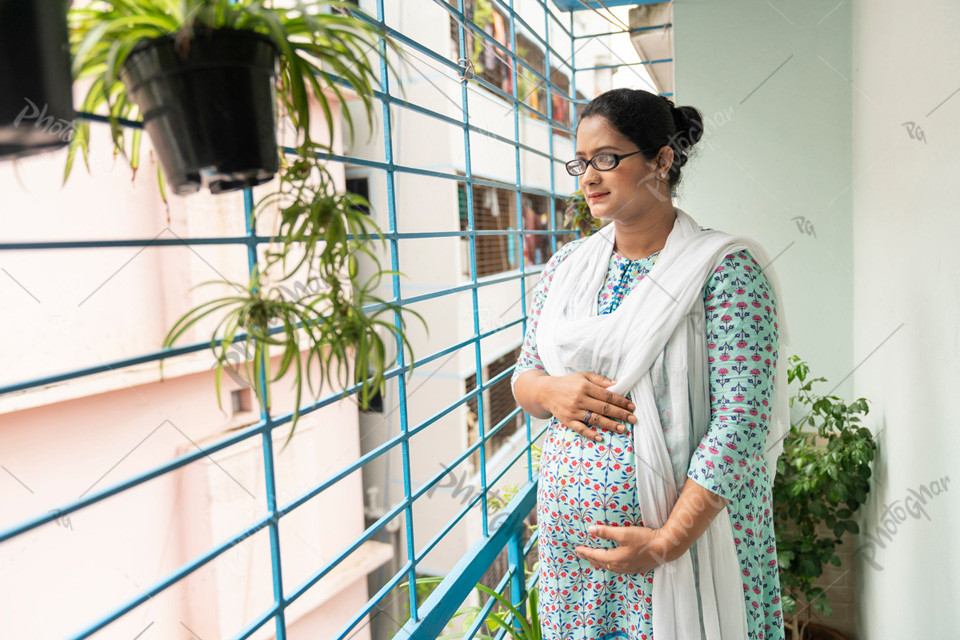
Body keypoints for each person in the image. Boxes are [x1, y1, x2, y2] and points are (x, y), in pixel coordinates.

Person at [510, 88, 789, 640]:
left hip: (681, 549)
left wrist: (665, 543)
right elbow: (524, 375)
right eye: (581, 162)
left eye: (607, 159)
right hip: (577, 560)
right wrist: (551, 394)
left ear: (662, 160)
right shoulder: (567, 267)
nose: (588, 176)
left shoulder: (724, 271)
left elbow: (741, 424)